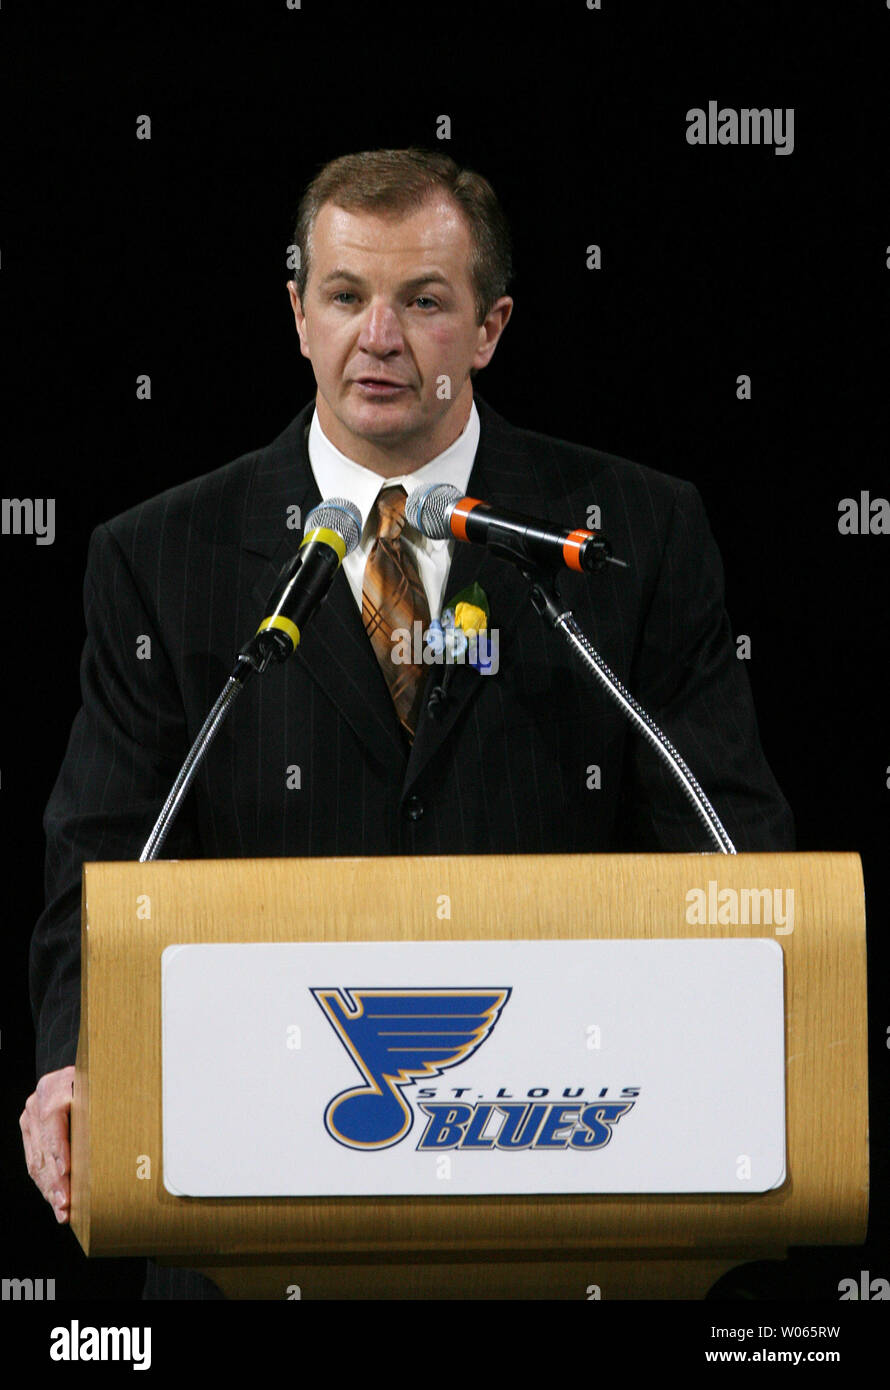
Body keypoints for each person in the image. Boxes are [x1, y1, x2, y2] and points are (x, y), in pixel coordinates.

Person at [21, 147, 795, 1299]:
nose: (377, 338)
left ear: (488, 327)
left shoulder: (625, 534)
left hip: (569, 1184)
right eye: (344, 297)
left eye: (422, 302)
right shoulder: (159, 556)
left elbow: (724, 843)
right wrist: (80, 1059)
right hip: (249, 1195)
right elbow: (106, 856)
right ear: (296, 314)